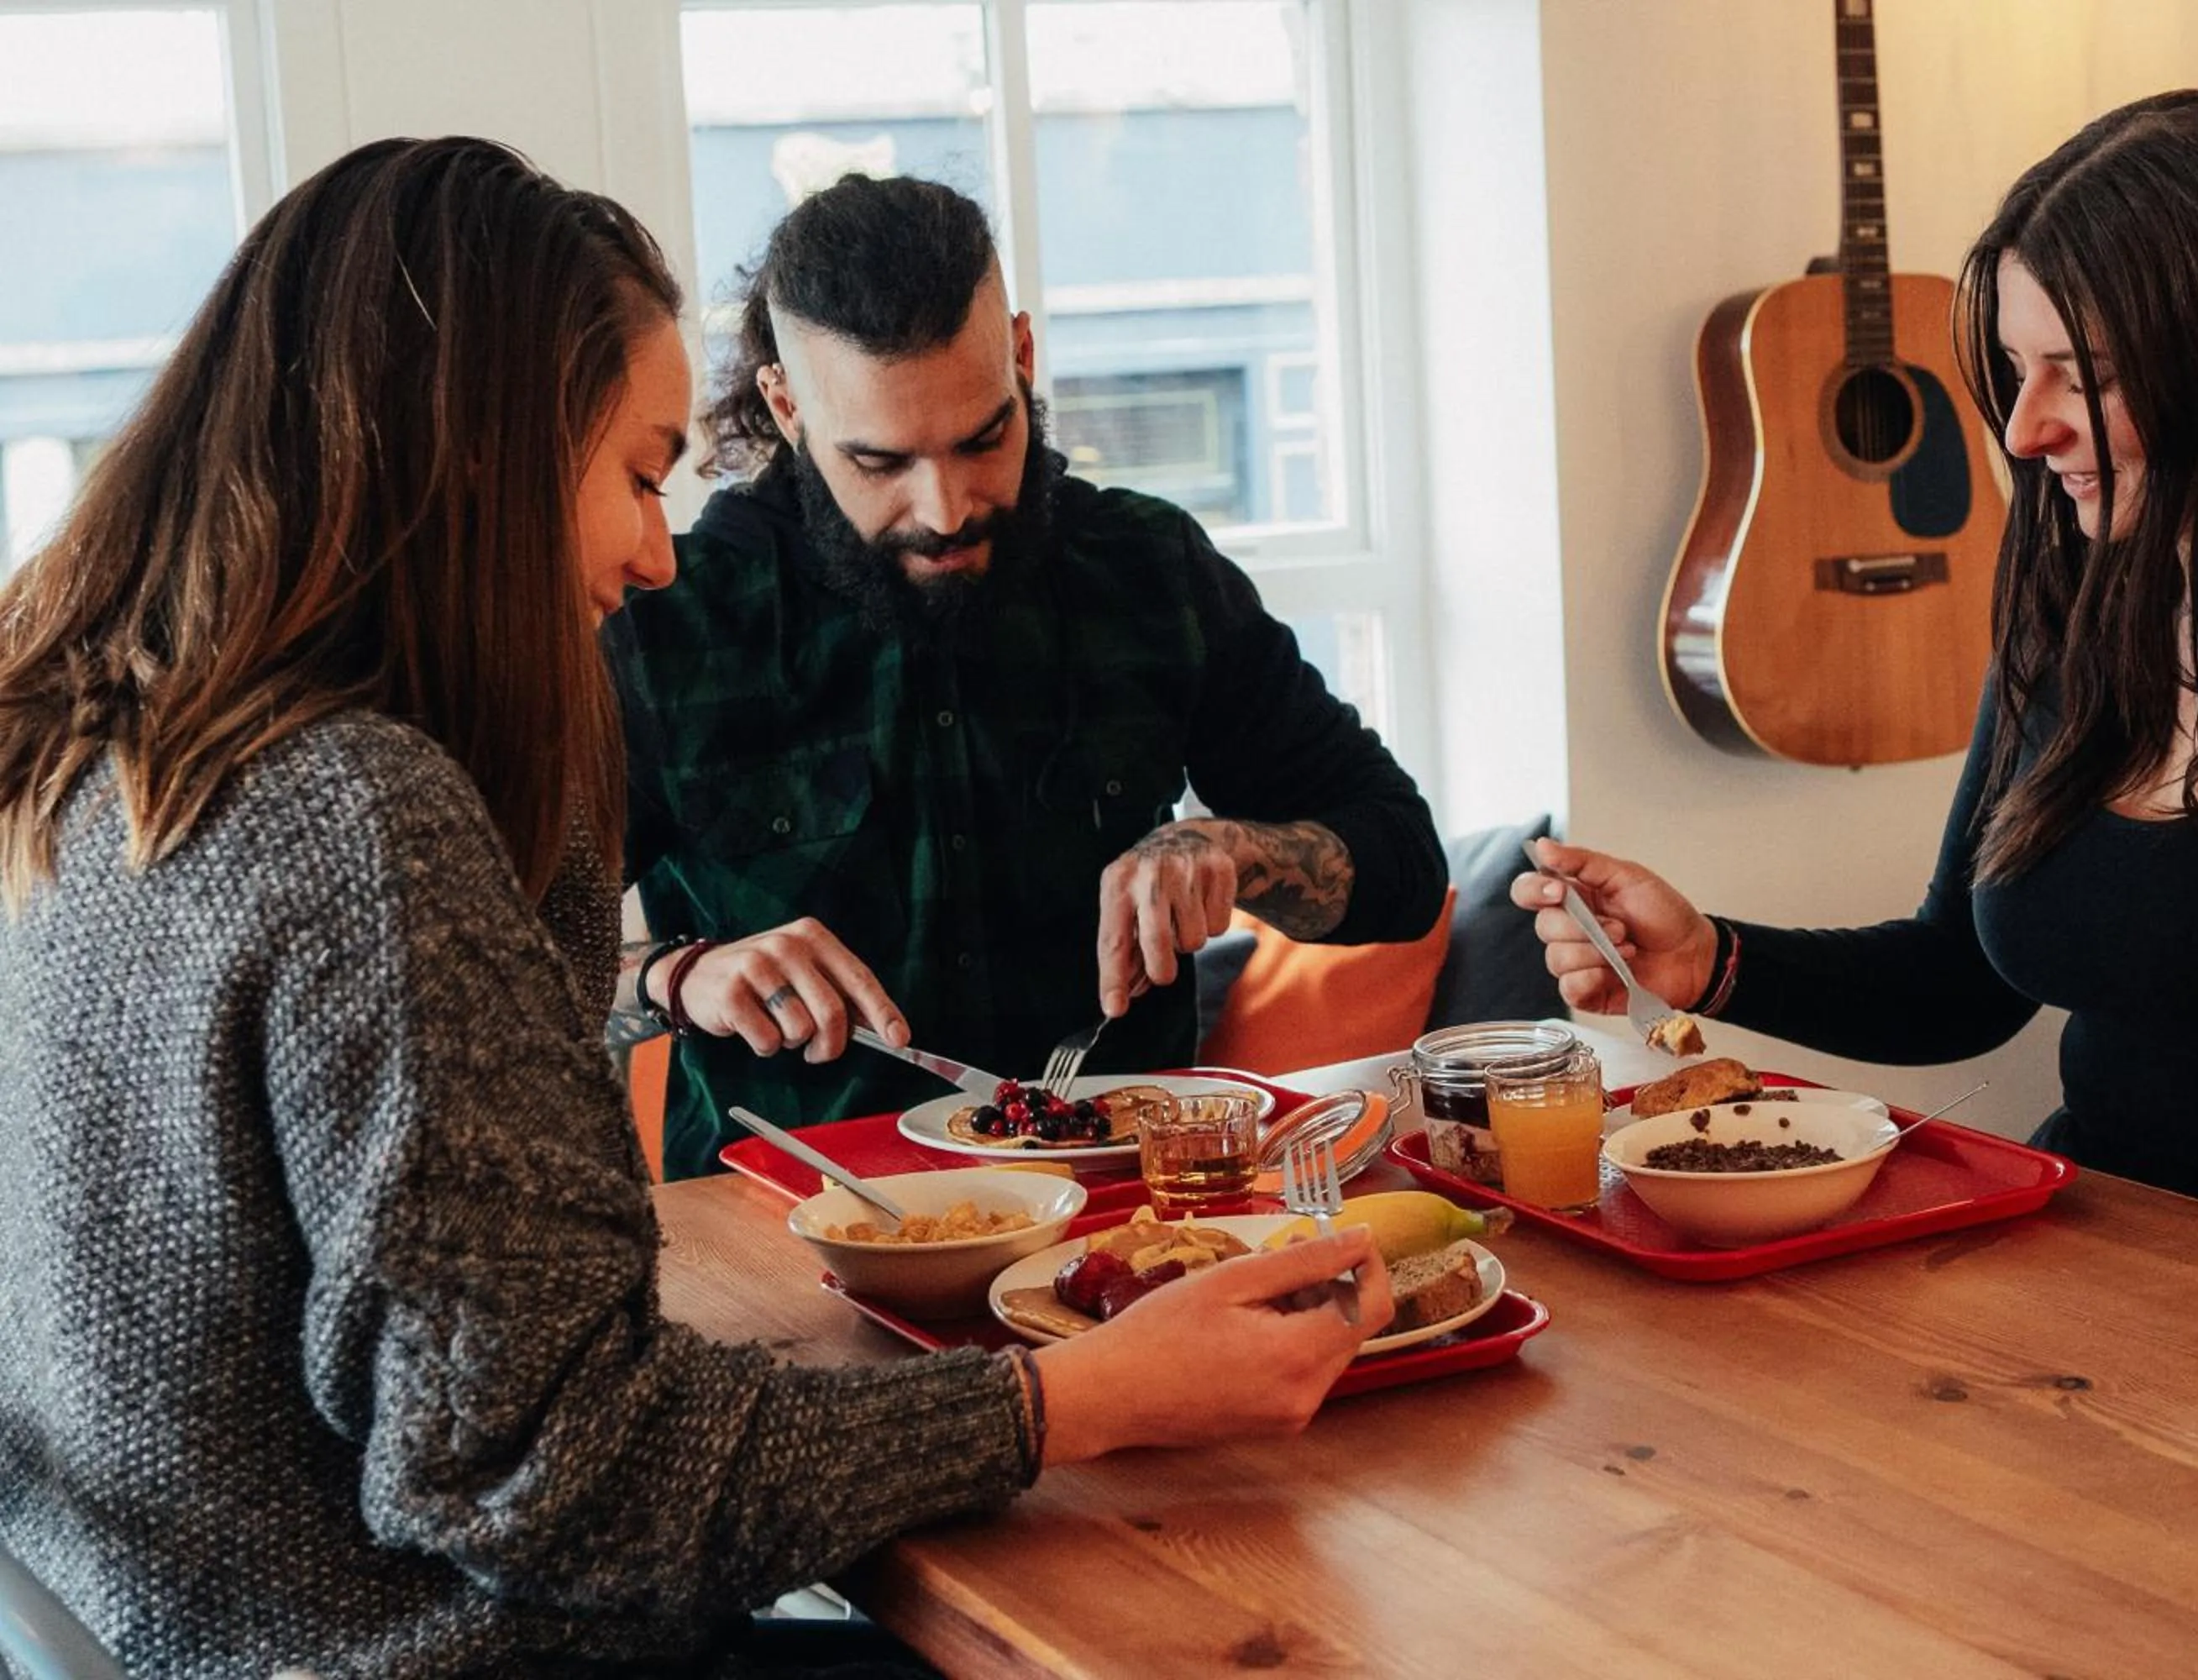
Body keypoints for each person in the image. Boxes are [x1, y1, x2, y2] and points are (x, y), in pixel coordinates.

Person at [0, 137, 1390, 1679]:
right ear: (480, 455)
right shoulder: (357, 814)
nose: (655, 546)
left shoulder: (96, 759)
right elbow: (556, 1474)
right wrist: (1085, 1401)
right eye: (639, 477)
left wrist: (1245, 854)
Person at [1516, 91, 2198, 1231]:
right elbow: (1962, 977)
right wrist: (1709, 959)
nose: (2023, 432)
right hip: (2088, 1245)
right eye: (2014, 366)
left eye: (2081, 374)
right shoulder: (2078, 590)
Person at [602, 174, 1446, 1180]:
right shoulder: (666, 620)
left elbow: (1404, 862)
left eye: (983, 437)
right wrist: (678, 975)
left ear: (1024, 359)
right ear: (787, 407)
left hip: (1125, 1221)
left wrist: (1234, 850)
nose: (948, 508)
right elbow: (500, 972)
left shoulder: (1150, 570)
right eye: (881, 462)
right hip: (790, 1250)